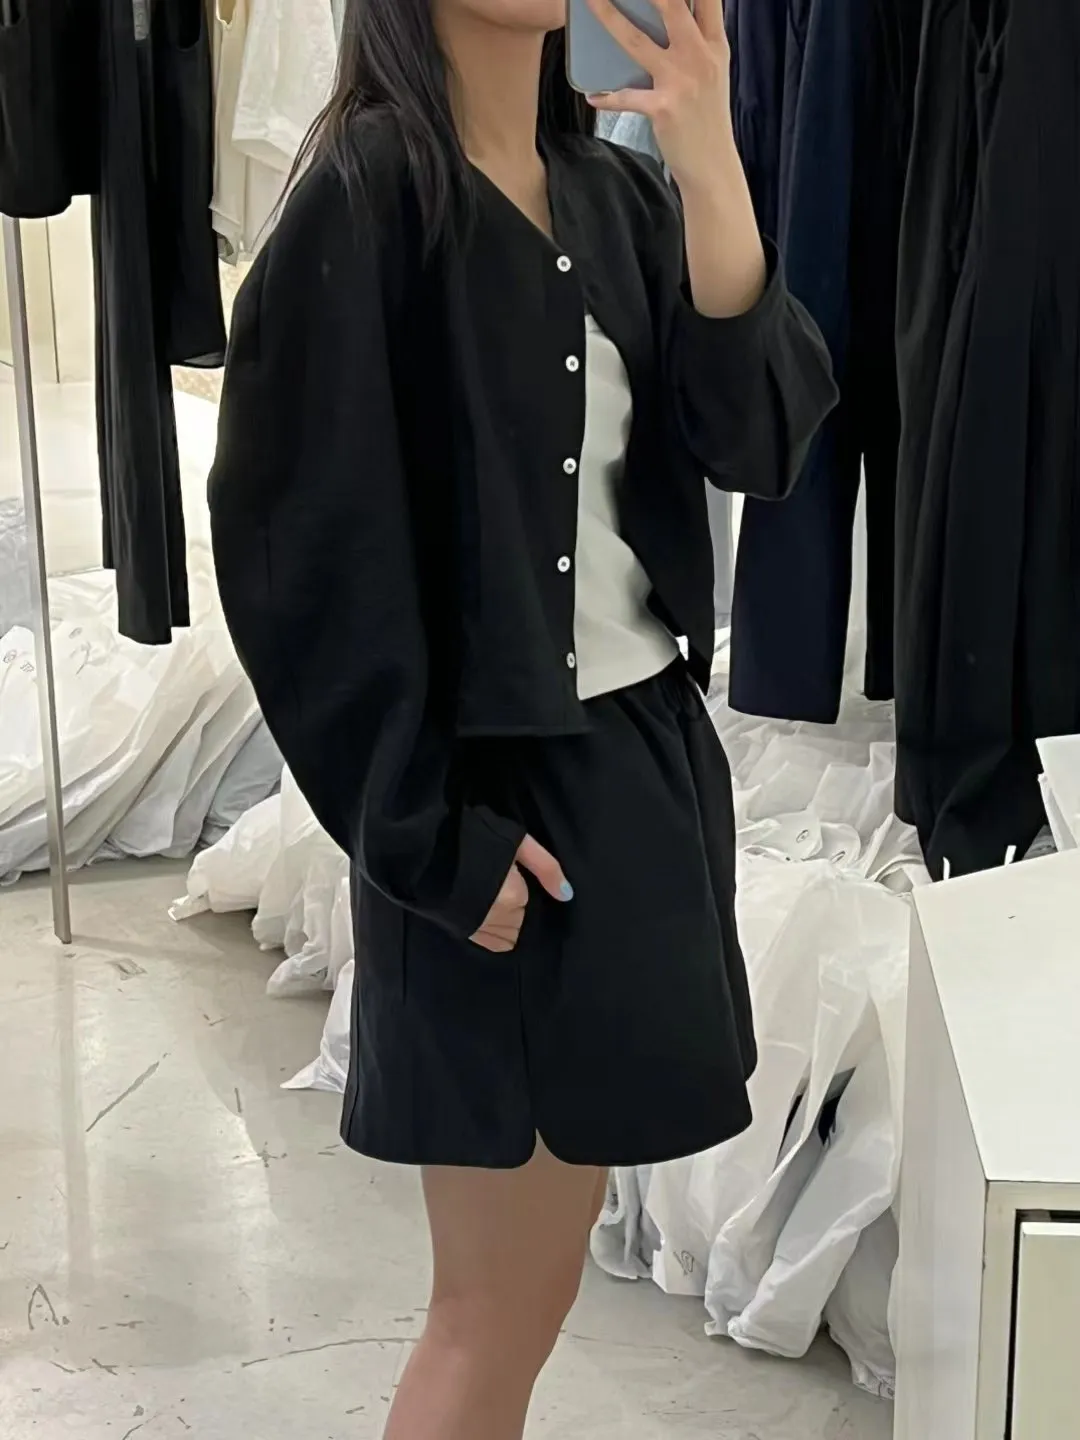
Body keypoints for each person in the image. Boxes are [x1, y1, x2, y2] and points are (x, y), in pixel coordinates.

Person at [208, 0, 836, 1434]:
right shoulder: (368, 200)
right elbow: (298, 562)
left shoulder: (614, 194)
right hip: (496, 819)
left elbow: (761, 440)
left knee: (531, 1299)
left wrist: (711, 160)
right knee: (489, 1312)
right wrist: (427, 838)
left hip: (638, 780)